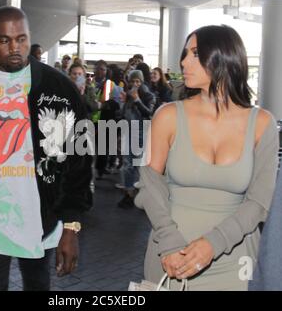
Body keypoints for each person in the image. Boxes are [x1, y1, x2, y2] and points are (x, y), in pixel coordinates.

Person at [0, 6, 92, 291]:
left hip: (40, 220)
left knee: (37, 285)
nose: (15, 48)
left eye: (21, 39)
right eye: (4, 40)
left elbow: (79, 161)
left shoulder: (59, 89)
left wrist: (71, 225)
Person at [135, 25, 279, 290]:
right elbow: (149, 183)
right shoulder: (167, 115)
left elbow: (259, 201)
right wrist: (169, 241)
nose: (183, 61)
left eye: (194, 53)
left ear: (223, 57)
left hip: (235, 259)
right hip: (170, 254)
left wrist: (213, 243)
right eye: (185, 53)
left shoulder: (261, 124)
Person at [118, 70, 154, 209]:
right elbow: (123, 114)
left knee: (138, 165)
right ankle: (129, 193)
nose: (135, 84)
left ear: (142, 82)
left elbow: (149, 112)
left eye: (137, 81)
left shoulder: (148, 96)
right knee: (127, 164)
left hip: (141, 133)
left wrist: (138, 100)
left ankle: (140, 194)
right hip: (128, 131)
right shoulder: (127, 96)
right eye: (132, 81)